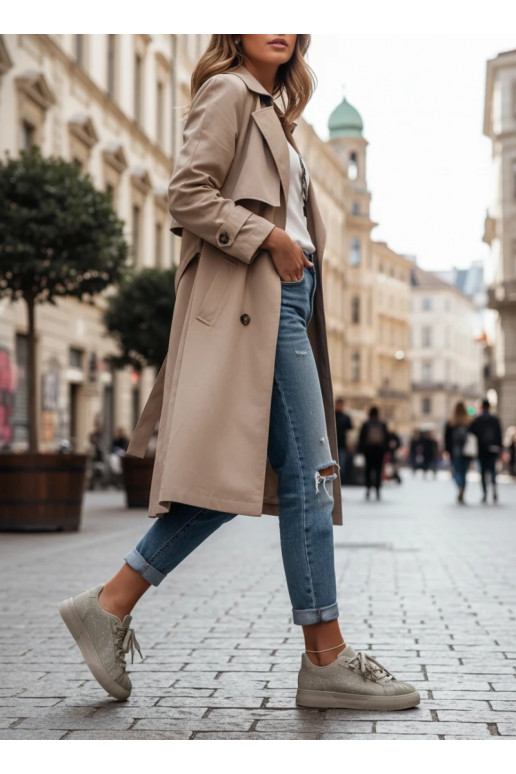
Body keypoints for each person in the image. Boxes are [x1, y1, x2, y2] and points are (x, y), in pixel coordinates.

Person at [58, 35, 419, 712]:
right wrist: (270, 238)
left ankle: (109, 605)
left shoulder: (276, 114)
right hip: (263, 306)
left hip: (288, 306)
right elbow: (185, 193)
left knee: (241, 483)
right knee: (310, 481)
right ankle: (326, 657)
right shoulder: (227, 91)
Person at [469, 399, 503, 504]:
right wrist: (500, 448)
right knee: (492, 470)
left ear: (482, 407)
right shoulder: (495, 420)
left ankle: (484, 493)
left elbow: (471, 434)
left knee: (483, 472)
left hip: (481, 450)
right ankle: (493, 488)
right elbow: (499, 435)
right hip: (493, 449)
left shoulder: (477, 420)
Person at [444, 401, 473, 504]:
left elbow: (446, 439)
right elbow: (472, 438)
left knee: (456, 471)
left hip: (455, 451)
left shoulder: (451, 422)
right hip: (467, 451)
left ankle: (459, 486)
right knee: (464, 472)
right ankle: (463, 490)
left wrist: (447, 451)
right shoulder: (469, 422)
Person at [358, 406, 389, 500]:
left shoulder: (366, 424)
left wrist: (361, 450)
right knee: (378, 470)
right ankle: (378, 490)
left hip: (368, 450)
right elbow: (387, 438)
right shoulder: (382, 424)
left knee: (368, 470)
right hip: (379, 450)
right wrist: (386, 450)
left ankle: (368, 489)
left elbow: (361, 438)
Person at [334, 397, 353, 485]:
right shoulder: (332, 415)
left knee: (341, 465)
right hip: (332, 444)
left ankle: (339, 483)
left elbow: (349, 432)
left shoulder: (346, 417)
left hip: (342, 445)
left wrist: (349, 443)